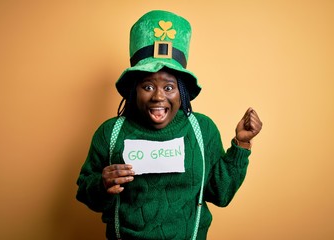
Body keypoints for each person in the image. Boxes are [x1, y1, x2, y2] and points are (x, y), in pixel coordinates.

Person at [76, 10, 262, 240]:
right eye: (147, 87)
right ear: (134, 90)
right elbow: (86, 194)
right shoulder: (110, 133)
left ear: (182, 92)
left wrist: (241, 144)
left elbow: (220, 194)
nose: (158, 97)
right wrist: (101, 184)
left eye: (169, 87)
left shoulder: (201, 129)